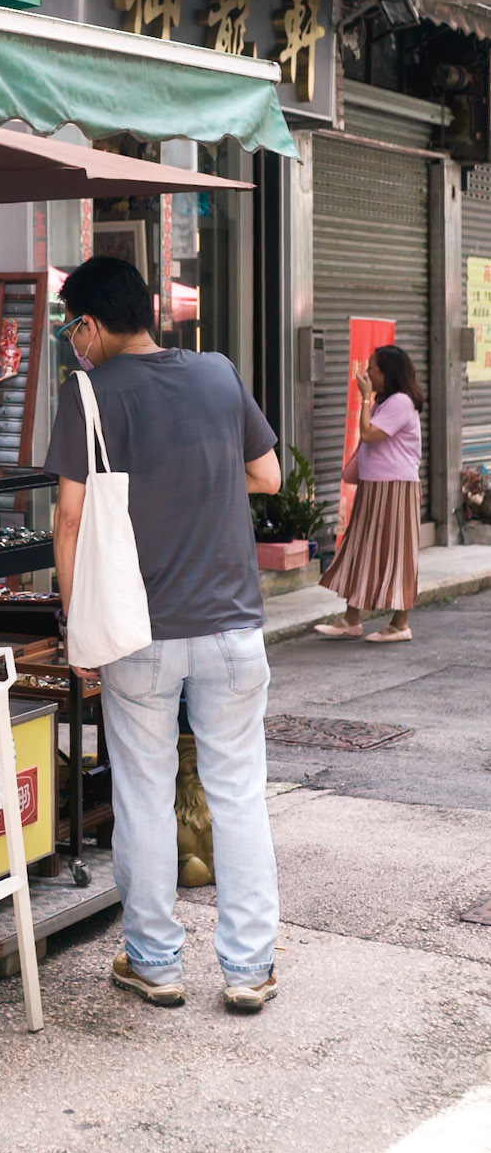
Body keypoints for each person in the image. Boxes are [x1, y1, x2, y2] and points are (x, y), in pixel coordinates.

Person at [44, 256, 284, 1015]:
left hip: (138, 632)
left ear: (88, 325)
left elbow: (70, 520)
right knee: (239, 795)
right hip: (234, 628)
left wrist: (76, 625)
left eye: (71, 327)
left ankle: (155, 963)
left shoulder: (87, 391)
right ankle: (249, 971)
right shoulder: (218, 373)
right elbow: (269, 475)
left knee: (144, 797)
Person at [315, 344, 423, 644]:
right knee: (363, 547)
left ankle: (401, 623)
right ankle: (351, 618)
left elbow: (370, 434)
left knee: (396, 551)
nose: (367, 373)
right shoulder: (387, 401)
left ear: (388, 373)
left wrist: (363, 398)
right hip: (376, 485)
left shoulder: (400, 402)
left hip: (395, 487)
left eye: (372, 368)